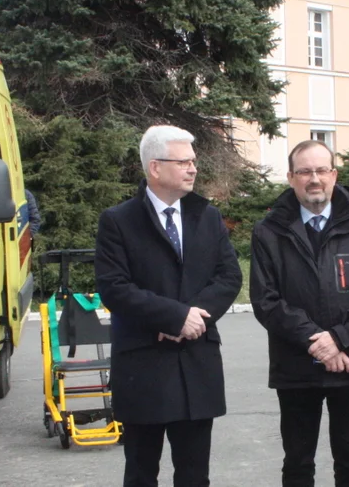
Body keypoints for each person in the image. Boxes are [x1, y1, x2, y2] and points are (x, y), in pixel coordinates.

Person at [94, 124, 243, 487]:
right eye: (183, 162)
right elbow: (114, 288)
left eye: (194, 162)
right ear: (155, 168)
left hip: (196, 365)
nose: (193, 169)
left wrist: (194, 319)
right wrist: (175, 317)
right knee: (142, 473)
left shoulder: (206, 216)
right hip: (144, 368)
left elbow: (229, 277)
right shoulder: (119, 221)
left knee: (195, 476)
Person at [250, 140, 349, 487]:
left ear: (334, 175)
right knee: (298, 464)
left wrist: (340, 340)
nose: (314, 179)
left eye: (320, 171)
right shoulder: (269, 232)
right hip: (297, 366)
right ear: (290, 177)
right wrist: (317, 343)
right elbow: (265, 301)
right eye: (304, 172)